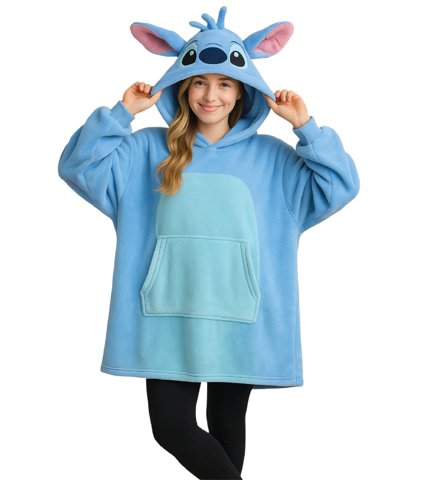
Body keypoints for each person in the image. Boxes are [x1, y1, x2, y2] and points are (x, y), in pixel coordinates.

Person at [58, 7, 360, 480]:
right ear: (182, 86)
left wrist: (306, 127)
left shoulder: (274, 159)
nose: (210, 95)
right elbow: (78, 167)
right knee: (171, 428)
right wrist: (121, 114)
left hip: (238, 315)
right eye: (199, 81)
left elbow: (339, 186)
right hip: (166, 314)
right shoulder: (145, 150)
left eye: (224, 83)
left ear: (242, 91)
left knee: (226, 425)